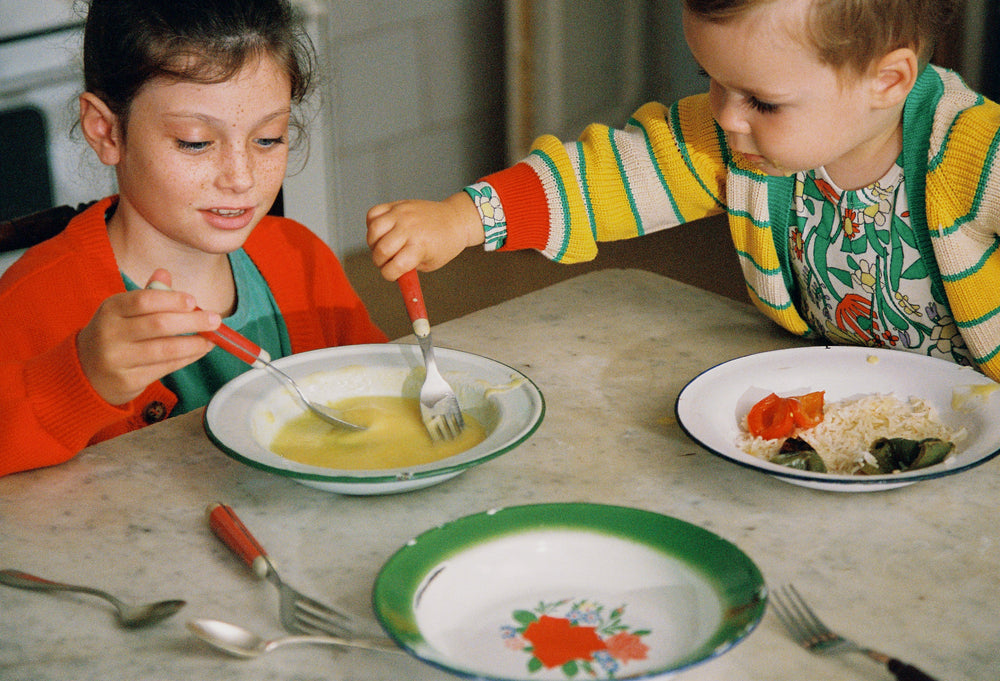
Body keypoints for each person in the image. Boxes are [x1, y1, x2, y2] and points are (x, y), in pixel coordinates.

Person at [367, 0, 1000, 382]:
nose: (726, 115)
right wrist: (463, 218)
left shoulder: (971, 154)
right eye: (712, 80)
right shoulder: (738, 141)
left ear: (887, 82)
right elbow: (612, 174)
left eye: (762, 100)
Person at [0, 0, 386, 477]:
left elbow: (375, 392)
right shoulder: (29, 302)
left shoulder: (301, 258)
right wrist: (77, 379)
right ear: (106, 131)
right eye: (195, 142)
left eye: (268, 138)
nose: (241, 178)